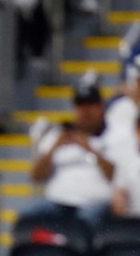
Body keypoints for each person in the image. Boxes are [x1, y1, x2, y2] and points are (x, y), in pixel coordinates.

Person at [30, 83, 115, 223]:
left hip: (95, 203)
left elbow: (115, 175)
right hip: (57, 201)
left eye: (90, 105)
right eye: (81, 106)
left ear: (101, 108)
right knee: (29, 217)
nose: (85, 111)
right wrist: (54, 148)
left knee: (84, 222)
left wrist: (90, 149)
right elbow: (36, 176)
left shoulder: (114, 135)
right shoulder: (57, 135)